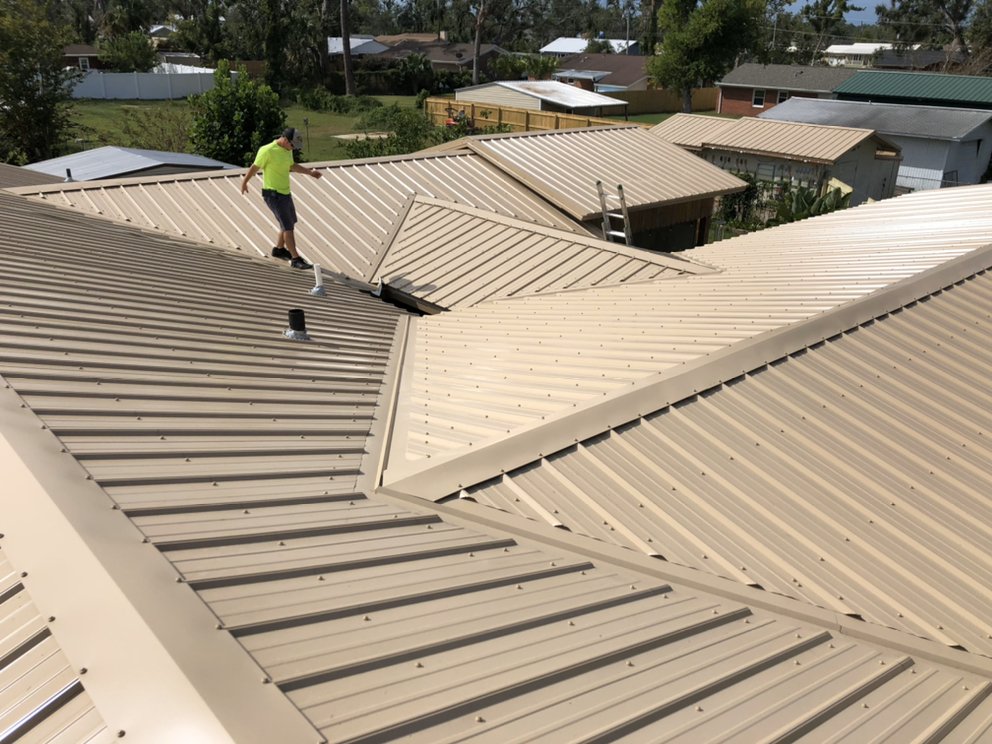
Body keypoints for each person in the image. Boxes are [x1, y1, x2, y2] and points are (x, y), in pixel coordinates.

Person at [240, 127, 323, 269]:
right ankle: (295, 259)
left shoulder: (287, 150)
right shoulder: (267, 150)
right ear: (285, 139)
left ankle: (279, 249)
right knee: (288, 227)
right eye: (292, 145)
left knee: (289, 222)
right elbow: (255, 167)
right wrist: (244, 182)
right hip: (273, 195)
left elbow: (292, 166)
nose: (293, 149)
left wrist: (310, 173)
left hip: (285, 193)